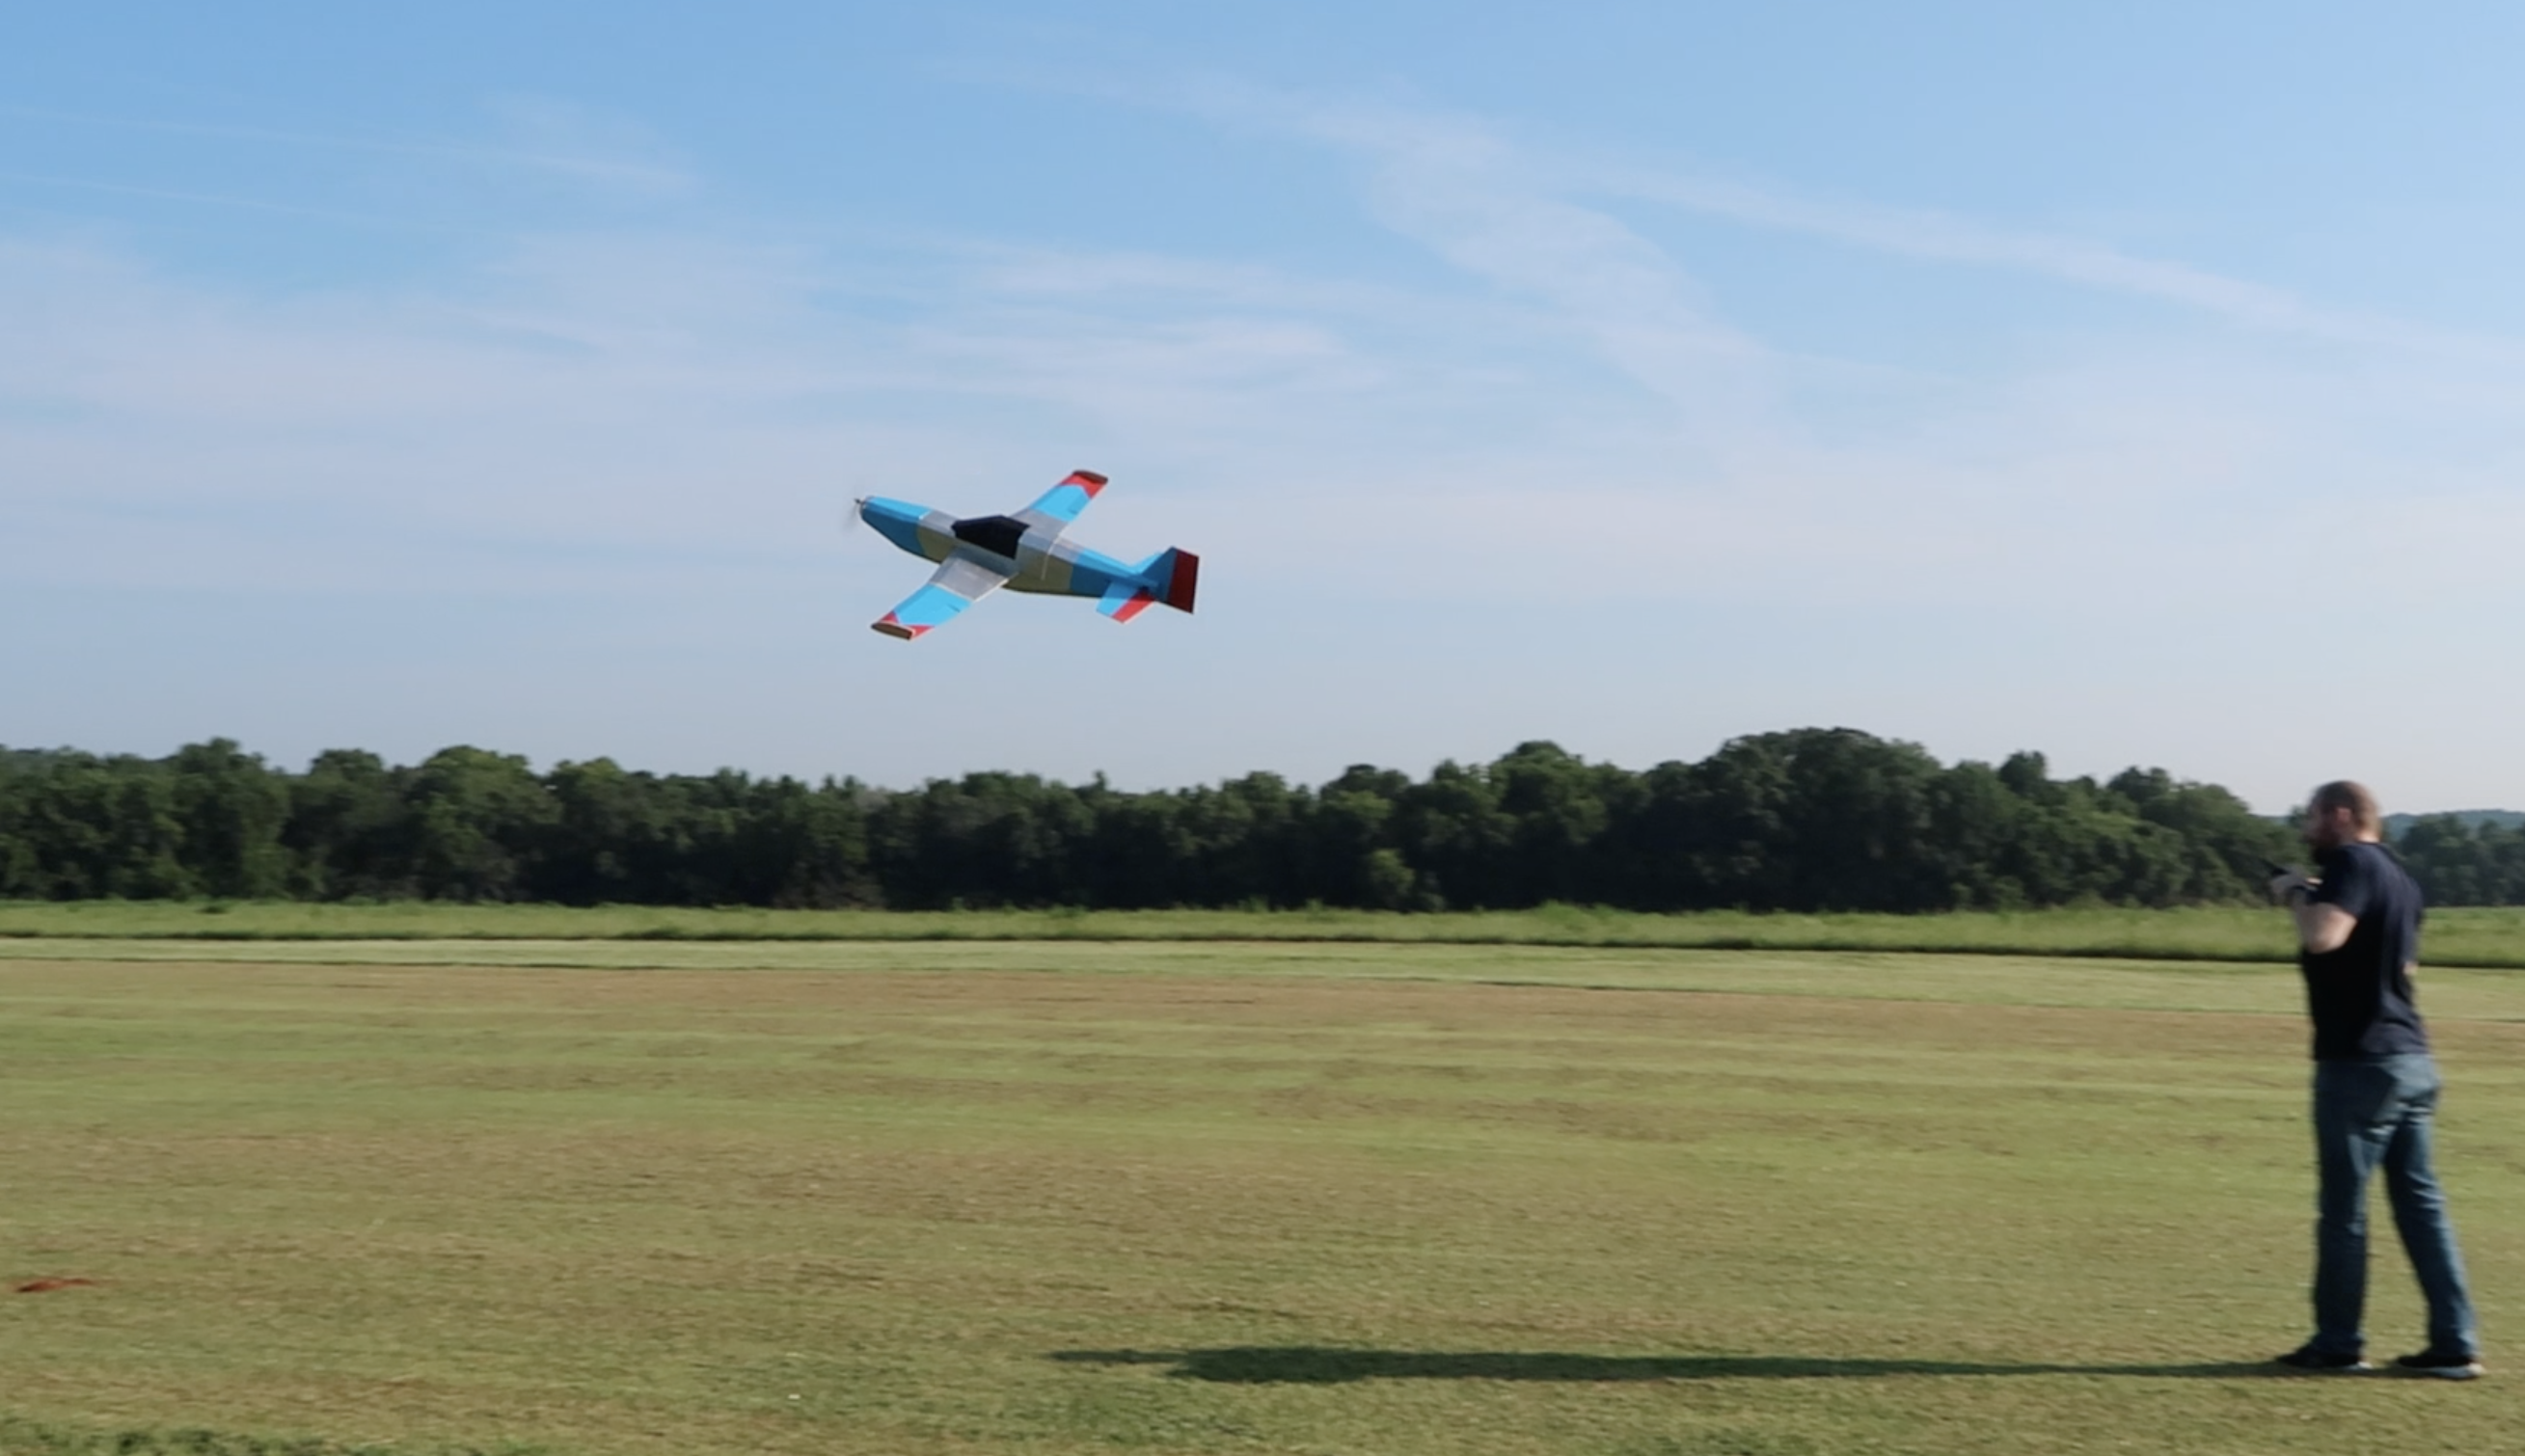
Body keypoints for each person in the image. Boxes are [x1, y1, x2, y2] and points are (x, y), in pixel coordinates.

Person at [2267, 781, 2482, 1378]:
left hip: (2359, 1063)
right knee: (2421, 1207)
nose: (2307, 829)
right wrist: (2314, 893)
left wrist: (2292, 893)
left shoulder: (2350, 862)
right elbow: (2402, 965)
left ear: (2339, 815)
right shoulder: (2401, 877)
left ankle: (2338, 1342)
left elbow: (2325, 936)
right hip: (2411, 1057)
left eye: (2311, 817)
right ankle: (2455, 1343)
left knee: (2344, 1212)